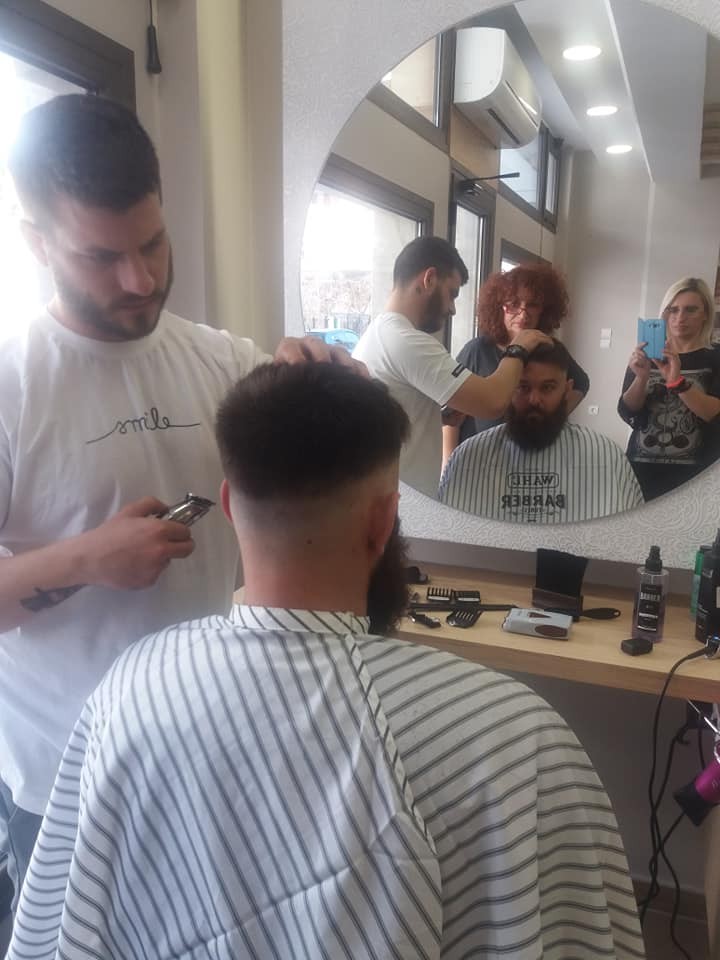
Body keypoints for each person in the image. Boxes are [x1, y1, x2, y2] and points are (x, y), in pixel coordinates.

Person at [9, 362, 645, 960]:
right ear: (384, 520)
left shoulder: (130, 685)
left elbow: (60, 925)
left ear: (227, 505)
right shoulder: (517, 737)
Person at [0, 94, 359, 910]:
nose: (140, 280)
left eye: (153, 244)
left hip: (210, 761)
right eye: (100, 257)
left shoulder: (222, 361)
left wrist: (313, 381)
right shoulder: (12, 386)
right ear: (35, 243)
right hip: (69, 789)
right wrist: (85, 559)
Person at [353, 237, 550, 498]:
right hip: (405, 506)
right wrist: (518, 348)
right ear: (429, 279)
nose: (453, 309)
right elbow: (493, 402)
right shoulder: (406, 341)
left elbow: (395, 414)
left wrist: (439, 416)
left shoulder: (380, 333)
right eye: (452, 294)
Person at [439, 340, 643, 523]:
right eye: (522, 387)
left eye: (547, 388)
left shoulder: (606, 457)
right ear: (507, 389)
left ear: (567, 389)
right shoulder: (468, 458)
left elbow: (630, 535)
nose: (534, 400)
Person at [444, 263, 590, 461]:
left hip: (533, 458)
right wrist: (448, 461)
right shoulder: (477, 350)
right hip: (481, 459)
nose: (523, 313)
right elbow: (453, 413)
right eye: (513, 304)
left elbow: (581, 382)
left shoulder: (549, 347)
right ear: (499, 307)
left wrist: (551, 418)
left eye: (532, 305)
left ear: (544, 310)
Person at [618, 276, 720, 501]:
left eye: (690, 309)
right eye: (673, 310)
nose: (680, 317)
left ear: (705, 313)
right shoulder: (648, 354)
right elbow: (628, 411)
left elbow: (715, 414)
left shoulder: (716, 357)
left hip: (697, 475)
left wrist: (677, 382)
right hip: (640, 469)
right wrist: (642, 377)